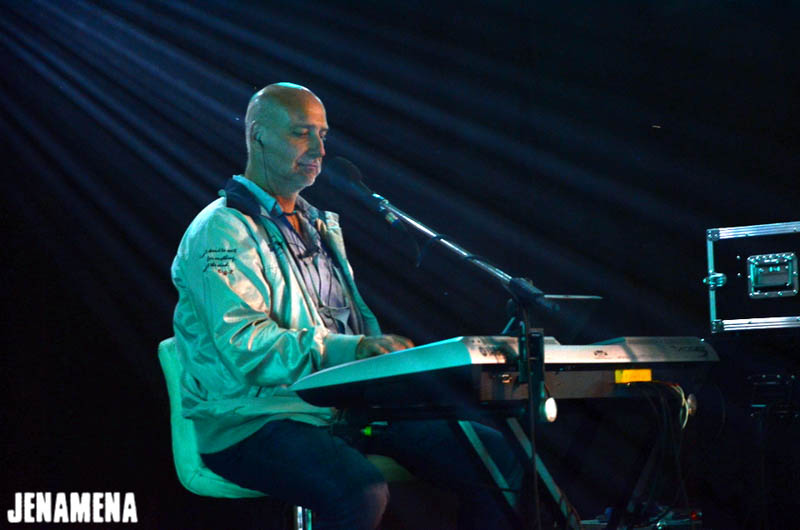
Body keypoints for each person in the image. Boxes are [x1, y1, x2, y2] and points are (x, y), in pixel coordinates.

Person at [171, 83, 522, 529]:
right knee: (359, 491)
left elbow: (343, 326)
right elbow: (245, 345)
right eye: (302, 132)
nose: (319, 149)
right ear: (258, 135)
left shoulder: (318, 225)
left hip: (341, 411)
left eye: (322, 135)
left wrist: (383, 360)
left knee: (496, 457)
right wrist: (352, 350)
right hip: (253, 421)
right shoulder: (221, 230)